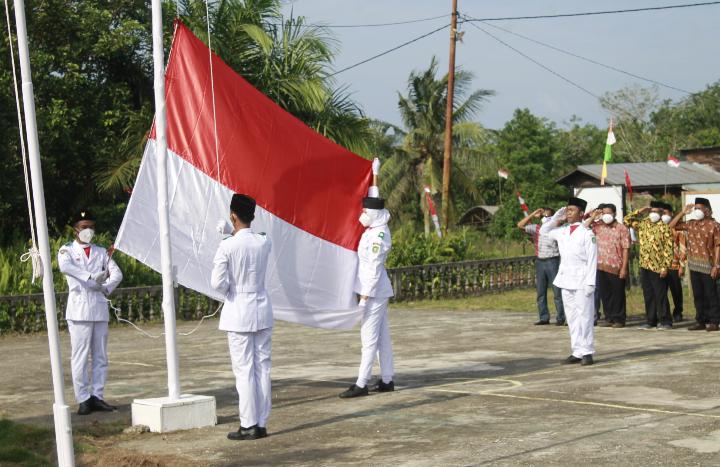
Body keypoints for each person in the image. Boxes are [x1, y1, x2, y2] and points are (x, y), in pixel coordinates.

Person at [212, 194, 273, 440]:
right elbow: (250, 240)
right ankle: (261, 423)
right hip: (262, 307)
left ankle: (247, 424)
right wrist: (232, 232)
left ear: (232, 215)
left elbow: (217, 283)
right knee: (262, 369)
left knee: (245, 370)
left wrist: (231, 291)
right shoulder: (264, 241)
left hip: (239, 310)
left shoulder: (226, 245)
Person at [58, 210, 123, 415]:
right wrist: (89, 277)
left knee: (101, 356)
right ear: (76, 229)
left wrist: (105, 287)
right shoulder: (67, 250)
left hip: (99, 307)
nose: (88, 231)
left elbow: (117, 273)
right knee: (80, 356)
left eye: (91, 227)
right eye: (84, 227)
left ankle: (97, 395)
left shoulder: (101, 251)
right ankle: (83, 398)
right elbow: (65, 267)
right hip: (78, 310)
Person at [339, 180, 395, 398]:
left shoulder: (378, 235)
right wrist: (376, 174)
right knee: (382, 338)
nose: (361, 214)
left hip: (373, 292)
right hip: (376, 291)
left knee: (368, 338)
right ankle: (387, 379)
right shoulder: (374, 227)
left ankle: (362, 383)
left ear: (372, 213)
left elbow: (373, 267)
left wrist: (364, 297)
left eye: (364, 211)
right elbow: (375, 194)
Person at [540, 197, 597, 366]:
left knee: (585, 316)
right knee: (571, 317)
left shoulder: (587, 233)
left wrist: (590, 283)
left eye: (571, 211)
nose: (568, 213)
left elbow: (593, 259)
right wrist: (557, 217)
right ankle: (577, 350)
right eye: (567, 210)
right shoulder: (562, 231)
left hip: (582, 279)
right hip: (566, 279)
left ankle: (587, 351)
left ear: (581, 213)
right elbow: (543, 231)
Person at [668, 198, 720, 331]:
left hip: (708, 266)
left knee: (711, 294)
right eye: (695, 208)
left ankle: (714, 321)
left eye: (700, 208)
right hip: (694, 265)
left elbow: (718, 245)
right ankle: (700, 321)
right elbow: (671, 226)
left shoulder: (714, 225)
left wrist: (716, 265)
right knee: (698, 294)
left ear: (707, 210)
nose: (697, 211)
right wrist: (683, 212)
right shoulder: (691, 224)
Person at [624, 201, 673, 330]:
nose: (653, 214)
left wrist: (665, 267)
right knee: (648, 294)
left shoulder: (664, 227)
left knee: (660, 294)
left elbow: (668, 249)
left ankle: (666, 321)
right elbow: (626, 220)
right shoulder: (642, 224)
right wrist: (641, 210)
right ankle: (651, 321)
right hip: (644, 265)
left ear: (661, 214)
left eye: (656, 212)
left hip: (658, 266)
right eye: (652, 211)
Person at [517, 207, 565, 326]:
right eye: (543, 215)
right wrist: (533, 214)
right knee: (540, 291)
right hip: (540, 261)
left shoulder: (556, 229)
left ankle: (561, 317)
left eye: (548, 216)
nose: (545, 218)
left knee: (557, 291)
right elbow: (520, 225)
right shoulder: (536, 228)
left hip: (553, 261)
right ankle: (544, 317)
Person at [584, 203, 630, 328]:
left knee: (618, 294)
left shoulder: (621, 228)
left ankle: (619, 319)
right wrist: (593, 215)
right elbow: (583, 225)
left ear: (614, 213)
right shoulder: (597, 226)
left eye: (609, 213)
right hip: (600, 266)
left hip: (616, 267)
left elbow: (626, 249)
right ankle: (609, 317)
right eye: (604, 213)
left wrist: (624, 268)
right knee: (605, 294)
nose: (606, 215)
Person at [662, 203, 685, 322]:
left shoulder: (679, 228)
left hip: (674, 265)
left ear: (671, 214)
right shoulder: (658, 227)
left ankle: (678, 312)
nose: (663, 216)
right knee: (661, 292)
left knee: (676, 290)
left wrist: (682, 266)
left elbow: (682, 248)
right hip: (660, 266)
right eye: (662, 214)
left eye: (665, 213)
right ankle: (664, 314)